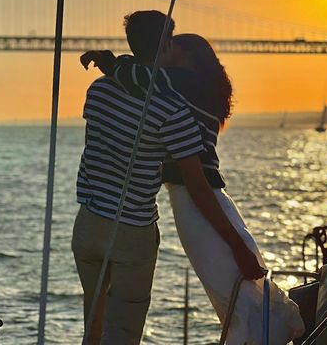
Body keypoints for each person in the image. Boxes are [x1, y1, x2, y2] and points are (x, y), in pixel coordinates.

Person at [82, 29, 305, 345]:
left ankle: (262, 337)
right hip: (208, 194)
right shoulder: (199, 89)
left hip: (194, 197)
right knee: (233, 285)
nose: (165, 52)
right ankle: (267, 333)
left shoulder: (179, 83)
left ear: (187, 56)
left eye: (171, 47)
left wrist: (107, 61)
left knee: (227, 282)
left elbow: (138, 78)